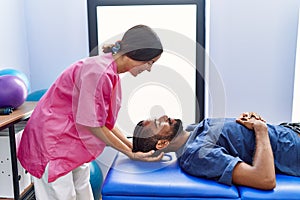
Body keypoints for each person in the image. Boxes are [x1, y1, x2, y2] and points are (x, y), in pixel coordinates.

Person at [17, 24, 164, 200]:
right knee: (62, 196)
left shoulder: (110, 71)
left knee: (83, 193)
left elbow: (105, 122)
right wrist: (129, 152)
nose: (148, 68)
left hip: (72, 144)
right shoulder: (98, 72)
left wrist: (131, 147)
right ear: (135, 53)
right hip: (52, 144)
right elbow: (94, 125)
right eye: (150, 62)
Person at [132, 112, 300, 190]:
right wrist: (261, 130)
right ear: (161, 143)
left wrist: (253, 121)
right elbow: (264, 179)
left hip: (289, 129)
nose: (163, 116)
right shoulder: (196, 154)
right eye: (157, 123)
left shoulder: (193, 130)